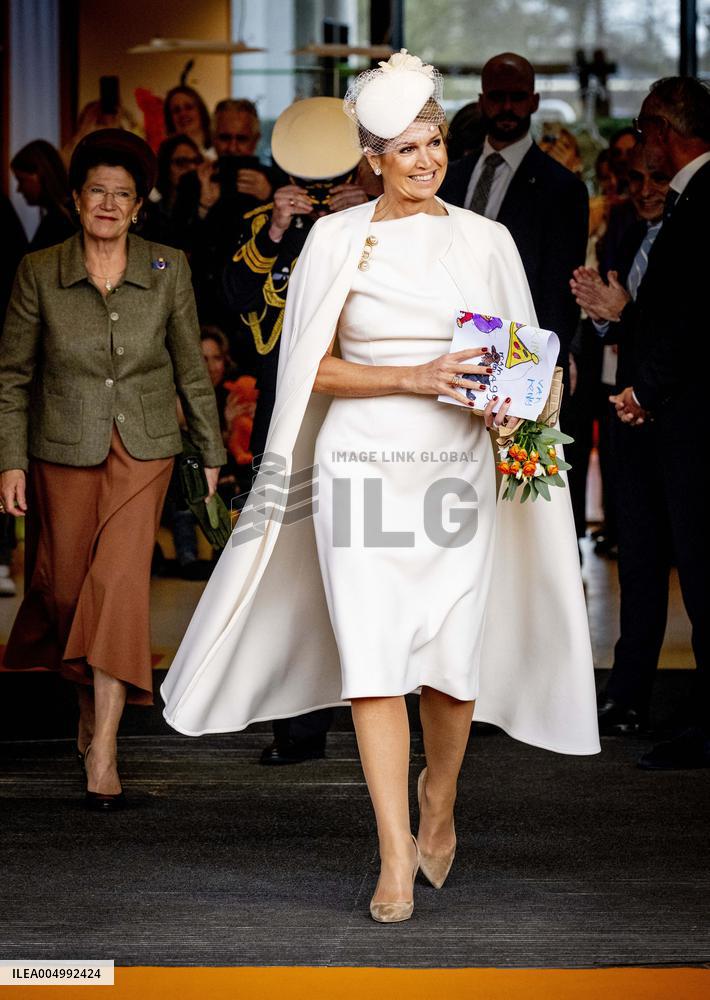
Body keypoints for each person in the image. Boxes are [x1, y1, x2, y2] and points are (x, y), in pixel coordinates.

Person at [162, 51, 599, 921]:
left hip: (458, 472)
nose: (425, 160)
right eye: (405, 148)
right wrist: (414, 376)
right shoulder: (336, 239)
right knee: (373, 661)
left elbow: (524, 367)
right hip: (359, 469)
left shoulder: (487, 240)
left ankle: (439, 795)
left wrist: (523, 401)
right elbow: (308, 371)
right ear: (373, 158)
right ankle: (394, 851)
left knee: (451, 666)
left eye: (433, 142)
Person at [0, 128, 226, 809]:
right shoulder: (40, 271)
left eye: (121, 194)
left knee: (119, 585)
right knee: (68, 592)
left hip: (146, 448)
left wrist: (211, 452)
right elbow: (12, 377)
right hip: (61, 448)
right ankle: (87, 708)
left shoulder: (167, 267)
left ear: (137, 205)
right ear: (75, 199)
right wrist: (10, 462)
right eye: (96, 191)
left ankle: (105, 747)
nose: (107, 203)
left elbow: (191, 367)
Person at [222, 96, 372, 764]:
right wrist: (279, 229)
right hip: (284, 418)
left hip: (359, 415)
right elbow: (234, 299)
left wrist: (362, 222)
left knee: (360, 565)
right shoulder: (262, 223)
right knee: (283, 575)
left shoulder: (379, 221)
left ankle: (375, 707)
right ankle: (295, 722)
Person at [592, 78, 710, 769]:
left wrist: (645, 385)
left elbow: (691, 323)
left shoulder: (700, 203)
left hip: (685, 418)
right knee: (657, 562)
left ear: (664, 130)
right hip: (655, 412)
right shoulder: (640, 223)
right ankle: (655, 702)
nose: (643, 180)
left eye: (642, 132)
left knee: (699, 569)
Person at [439, 53, 588, 389]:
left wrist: (543, 373)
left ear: (534, 101)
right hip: (444, 343)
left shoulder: (563, 189)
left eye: (517, 97)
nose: (507, 107)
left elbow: (558, 298)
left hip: (519, 357)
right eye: (497, 97)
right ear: (482, 101)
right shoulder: (448, 178)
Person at [173, 99, 273, 324]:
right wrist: (203, 206)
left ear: (256, 139)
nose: (233, 147)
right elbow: (176, 246)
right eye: (225, 138)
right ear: (213, 137)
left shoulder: (274, 180)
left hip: (260, 302)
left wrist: (270, 197)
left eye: (241, 139)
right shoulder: (192, 182)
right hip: (206, 301)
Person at [11, 140, 77, 251]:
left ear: (40, 174)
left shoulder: (58, 222)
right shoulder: (63, 215)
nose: (19, 189)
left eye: (21, 180)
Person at [141, 134, 203, 245]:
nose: (192, 168)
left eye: (196, 161)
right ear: (165, 167)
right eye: (181, 162)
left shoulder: (205, 203)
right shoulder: (153, 209)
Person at [164, 85, 213, 157]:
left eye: (189, 107)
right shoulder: (166, 157)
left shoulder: (219, 151)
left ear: (201, 111)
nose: (183, 114)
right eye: (176, 110)